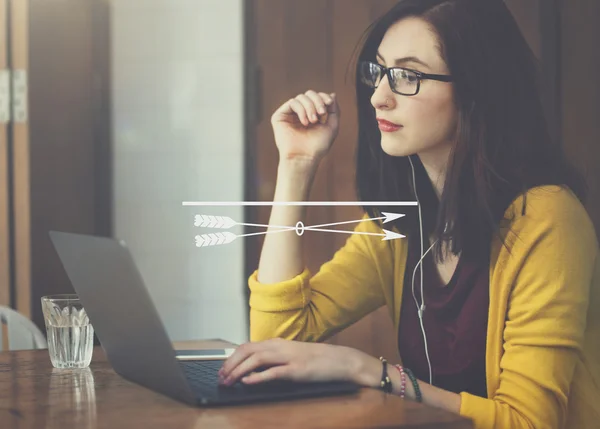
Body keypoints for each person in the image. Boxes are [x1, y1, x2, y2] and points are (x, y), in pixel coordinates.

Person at [218, 0, 600, 427]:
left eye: (407, 76)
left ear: (476, 89)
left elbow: (529, 421)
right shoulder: (401, 221)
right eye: (378, 72)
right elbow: (275, 340)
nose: (379, 97)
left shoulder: (546, 219)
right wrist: (296, 164)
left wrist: (366, 371)